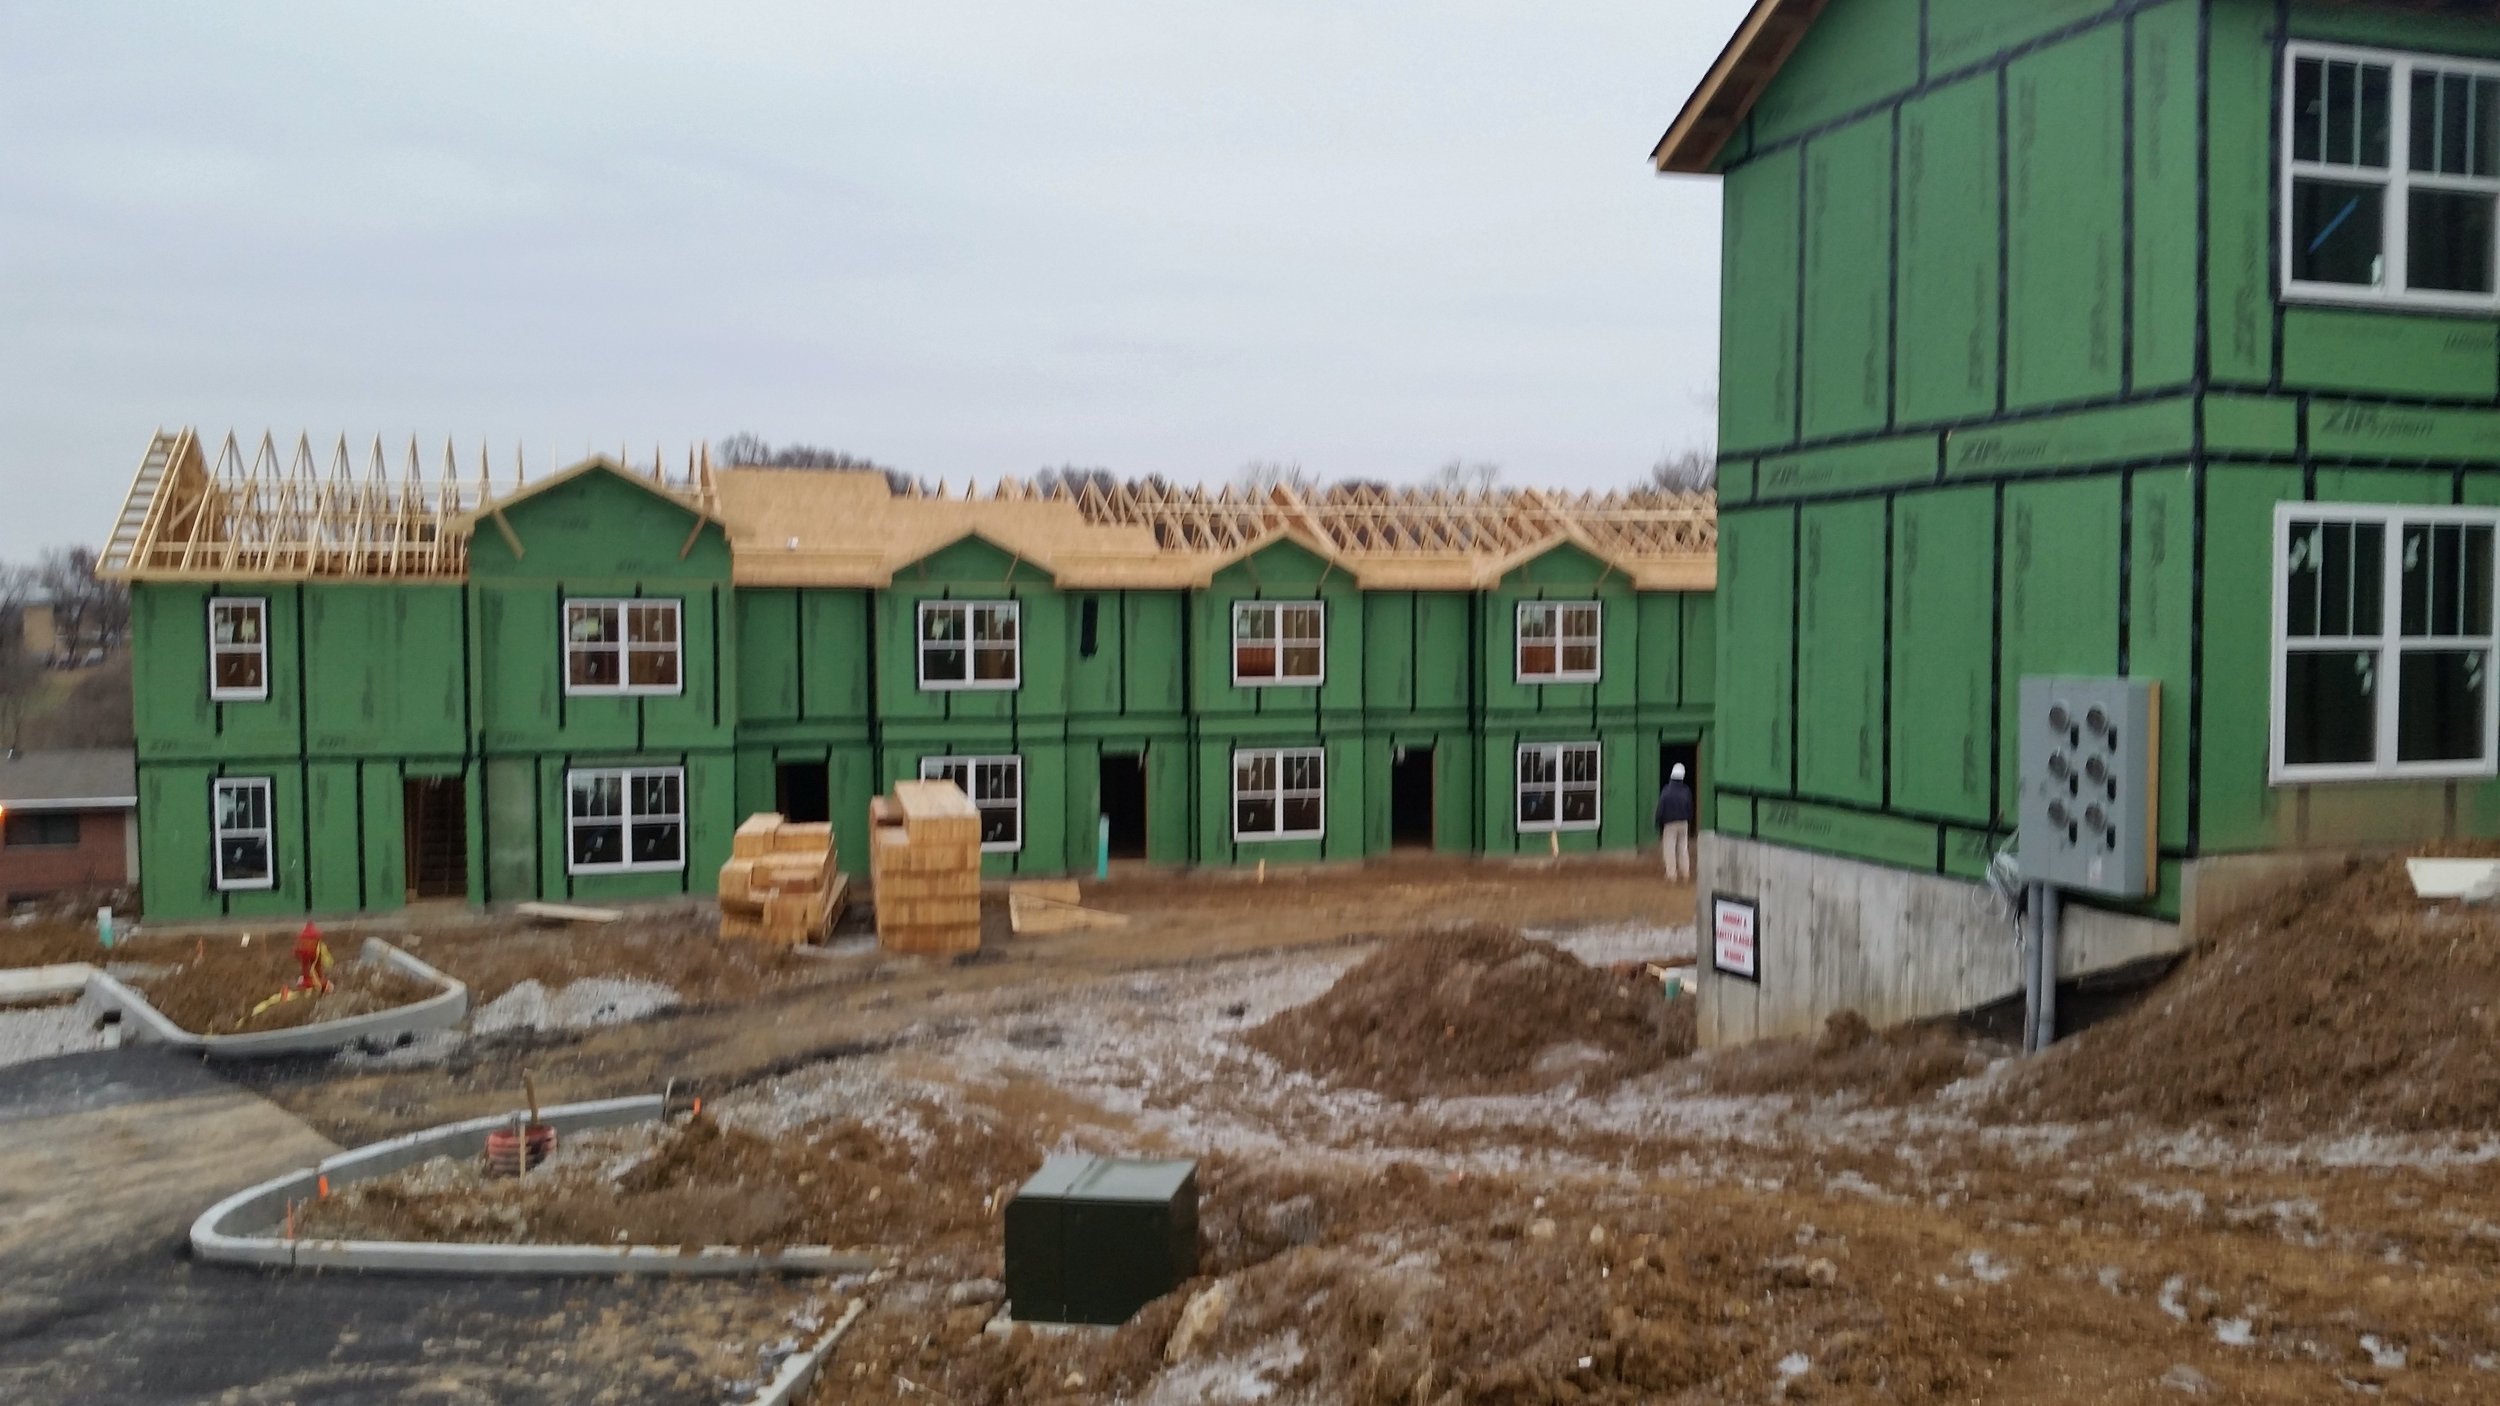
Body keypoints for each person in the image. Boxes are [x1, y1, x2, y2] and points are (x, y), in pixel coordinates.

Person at [1654, 764, 1694, 883]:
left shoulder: (1666, 791)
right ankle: (1685, 873)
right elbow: (1690, 807)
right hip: (1683, 823)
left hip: (1670, 824)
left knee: (1669, 849)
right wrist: (1689, 820)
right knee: (1683, 848)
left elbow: (1661, 808)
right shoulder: (1686, 791)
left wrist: (1658, 821)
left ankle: (1671, 875)